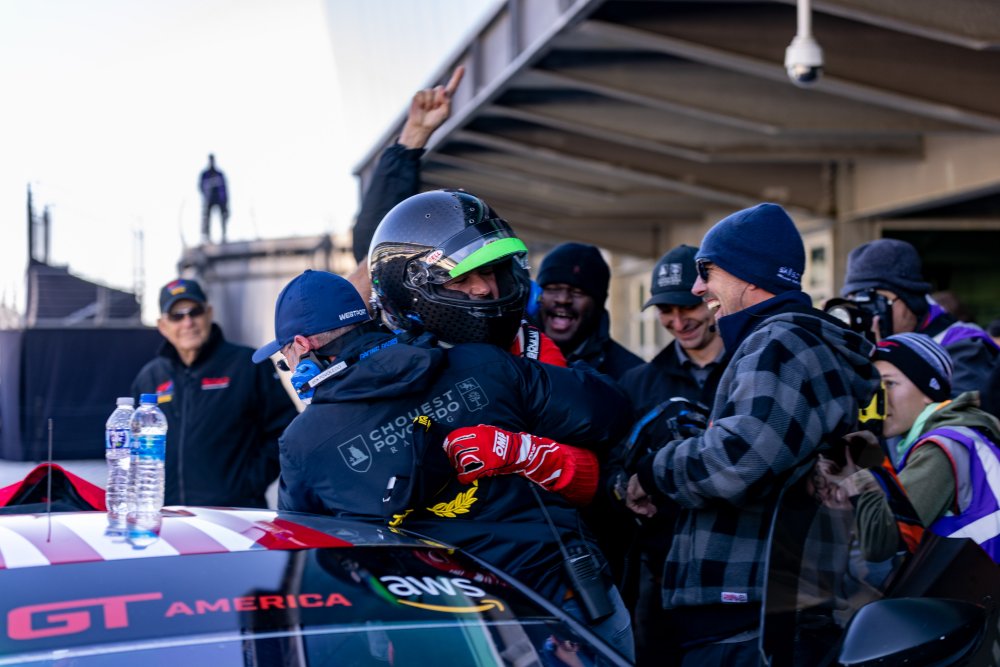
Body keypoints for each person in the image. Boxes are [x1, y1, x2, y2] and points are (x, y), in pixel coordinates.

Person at [263, 191, 634, 657]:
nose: (484, 290)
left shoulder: (303, 443)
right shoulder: (482, 364)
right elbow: (609, 410)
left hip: (446, 631)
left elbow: (307, 567)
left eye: (489, 273)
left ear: (301, 345)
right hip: (557, 608)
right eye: (464, 277)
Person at [624, 203, 879, 665]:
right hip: (761, 611)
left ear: (750, 274)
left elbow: (738, 458)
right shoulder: (786, 341)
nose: (698, 288)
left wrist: (654, 471)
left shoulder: (779, 341)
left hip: (754, 618)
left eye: (707, 271)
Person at [609, 244, 726, 666]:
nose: (677, 322)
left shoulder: (748, 374)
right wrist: (623, 488)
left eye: (686, 307)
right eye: (665, 310)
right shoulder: (637, 383)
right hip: (661, 576)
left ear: (710, 298)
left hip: (739, 577)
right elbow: (614, 465)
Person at [817, 333, 1000, 563]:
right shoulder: (957, 435)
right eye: (873, 386)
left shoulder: (942, 447)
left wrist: (859, 460)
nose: (877, 398)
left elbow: (880, 542)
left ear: (929, 392)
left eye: (889, 384)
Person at [132, 278, 297, 507]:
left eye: (195, 312)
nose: (188, 322)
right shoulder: (149, 378)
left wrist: (249, 484)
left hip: (235, 515)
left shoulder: (247, 364)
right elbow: (135, 447)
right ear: (162, 325)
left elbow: (287, 430)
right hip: (167, 515)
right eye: (177, 316)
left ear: (209, 313)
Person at [841, 238, 998, 396]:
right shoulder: (855, 349)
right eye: (857, 303)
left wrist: (881, 358)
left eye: (877, 302)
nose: (869, 314)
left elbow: (960, 408)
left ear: (911, 301)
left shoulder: (965, 346)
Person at [535, 242, 643, 380]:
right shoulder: (512, 356)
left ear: (598, 304)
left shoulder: (632, 377)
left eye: (577, 292)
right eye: (553, 289)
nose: (563, 299)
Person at [199, 153, 229, 243]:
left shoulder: (219, 174)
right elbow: (200, 187)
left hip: (220, 200)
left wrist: (225, 202)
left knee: (223, 216)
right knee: (207, 218)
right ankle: (207, 236)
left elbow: (224, 188)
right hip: (209, 200)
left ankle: (224, 235)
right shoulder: (205, 174)